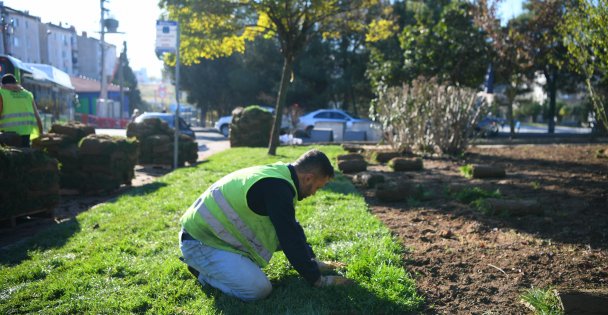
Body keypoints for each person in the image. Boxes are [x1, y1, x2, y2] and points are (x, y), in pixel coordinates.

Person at [179, 149, 351, 301]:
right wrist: (318, 280)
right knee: (259, 290)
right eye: (317, 188)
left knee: (288, 229)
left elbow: (291, 228)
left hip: (213, 236)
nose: (314, 193)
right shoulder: (278, 188)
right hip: (200, 243)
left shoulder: (281, 176)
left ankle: (217, 265)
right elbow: (289, 239)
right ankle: (202, 273)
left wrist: (313, 262)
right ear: (308, 178)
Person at [0, 74, 44, 147]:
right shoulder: (28, 94)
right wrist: (41, 133)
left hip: (7, 136)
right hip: (26, 134)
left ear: (2, 84)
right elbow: (37, 116)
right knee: (24, 155)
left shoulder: (1, 93)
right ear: (16, 83)